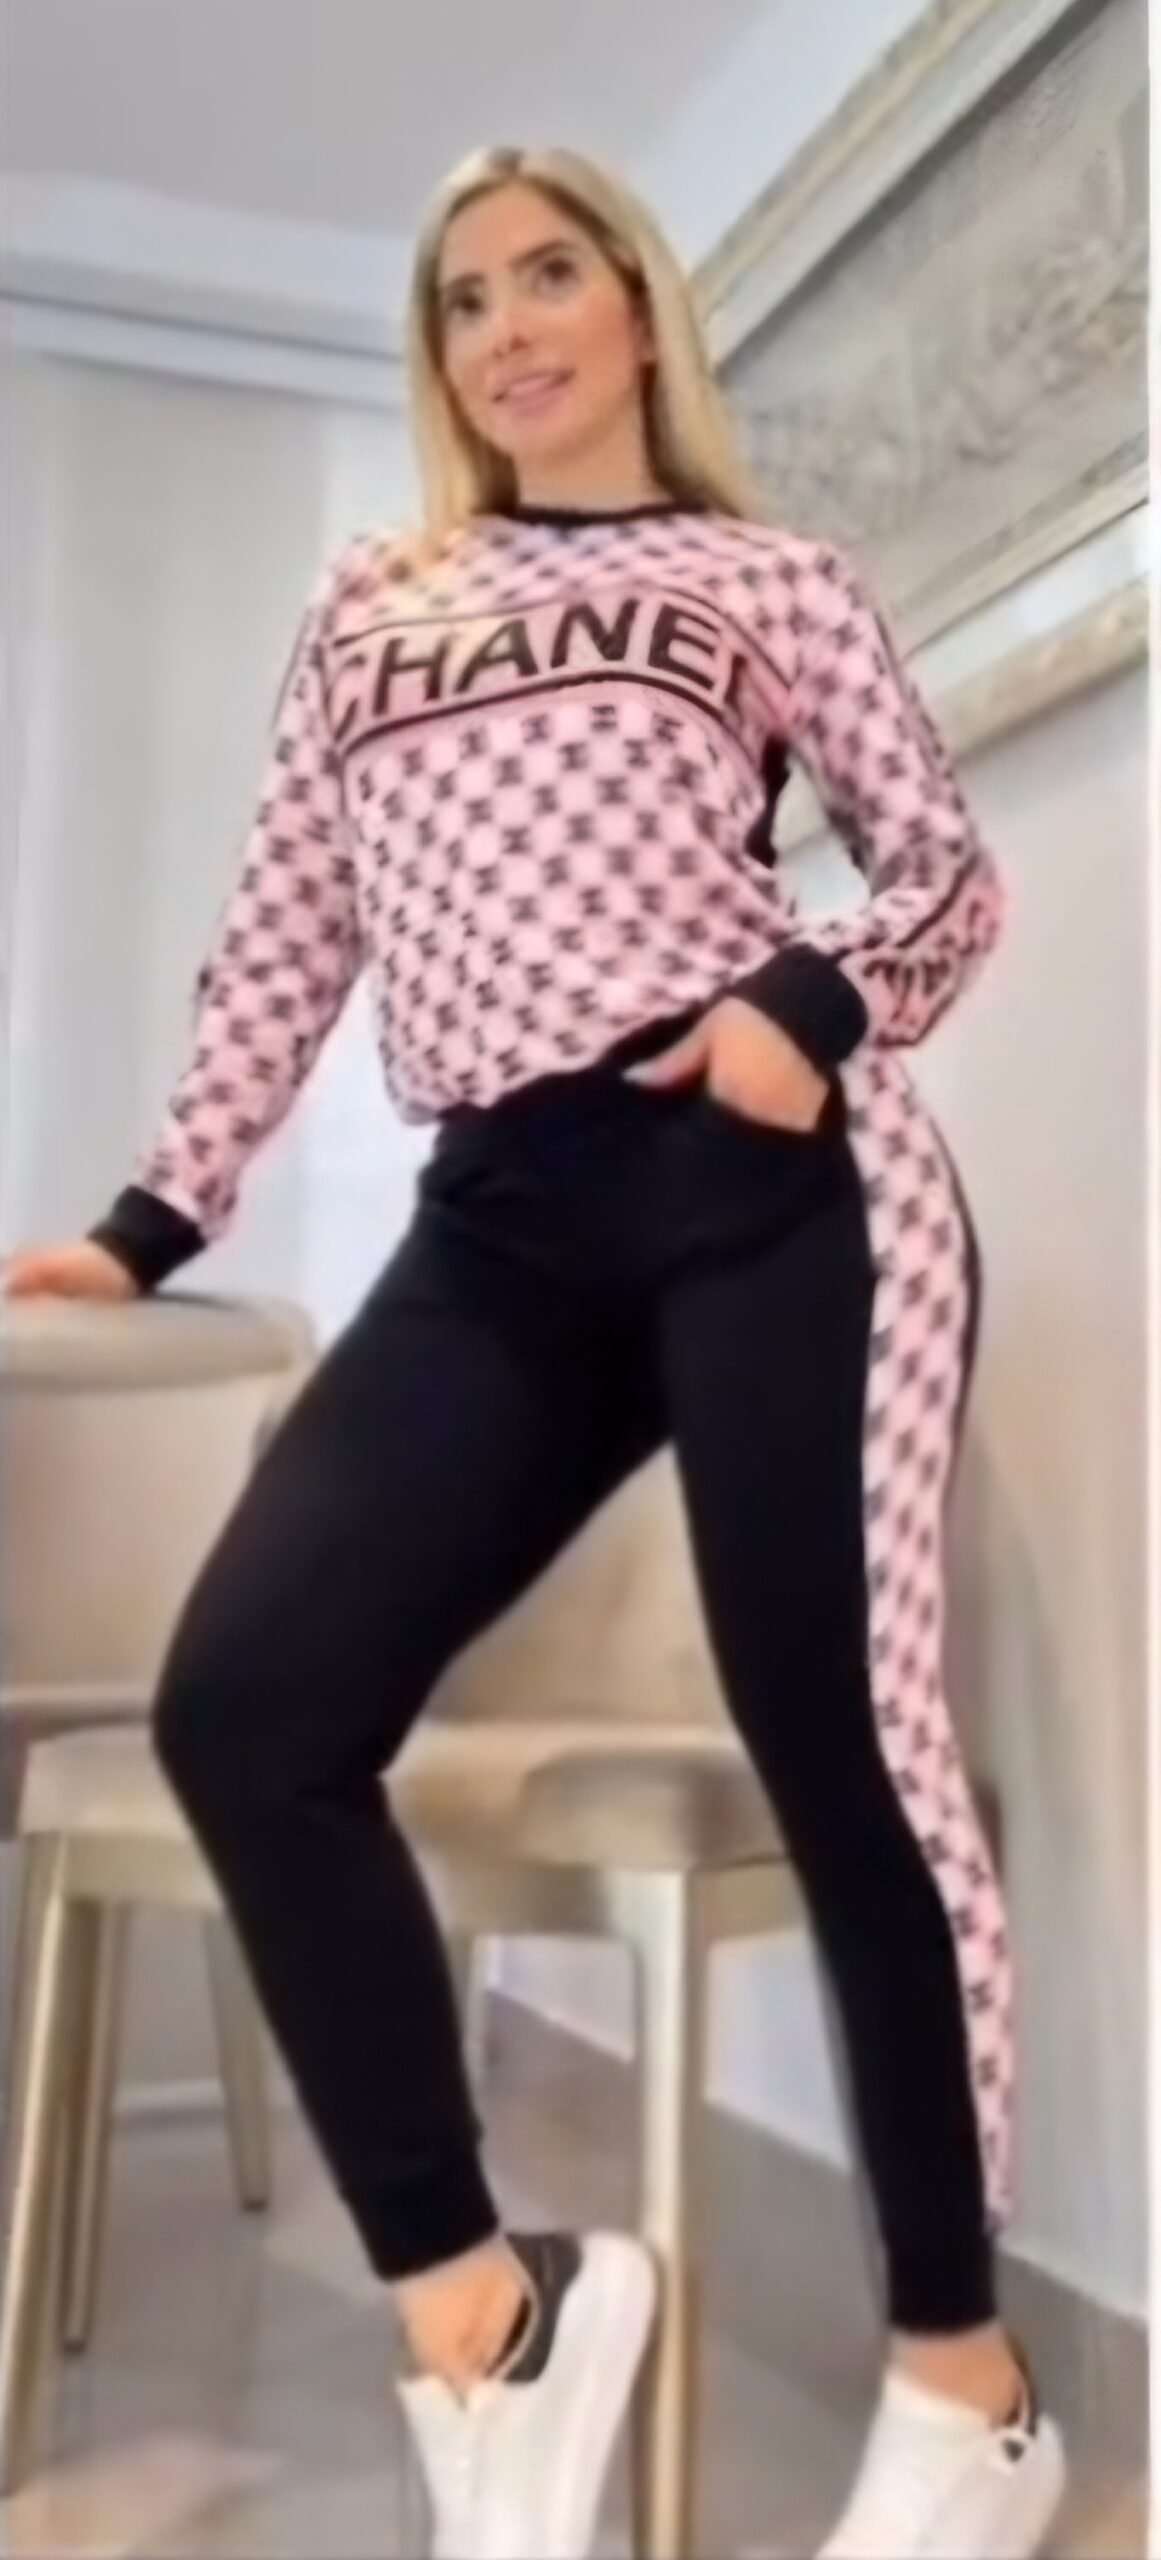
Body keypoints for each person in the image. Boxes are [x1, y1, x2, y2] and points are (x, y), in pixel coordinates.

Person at [4, 144, 1066, 2560]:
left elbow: (938, 869)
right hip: (499, 1215)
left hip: (771, 1183)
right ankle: (490, 2313)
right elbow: (288, 915)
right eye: (461, 298)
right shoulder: (372, 604)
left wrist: (803, 1007)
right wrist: (152, 1214)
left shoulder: (762, 578)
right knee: (252, 1706)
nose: (503, 327)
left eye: (546, 275)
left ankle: (967, 2382)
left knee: (845, 1742)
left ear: (634, 307)